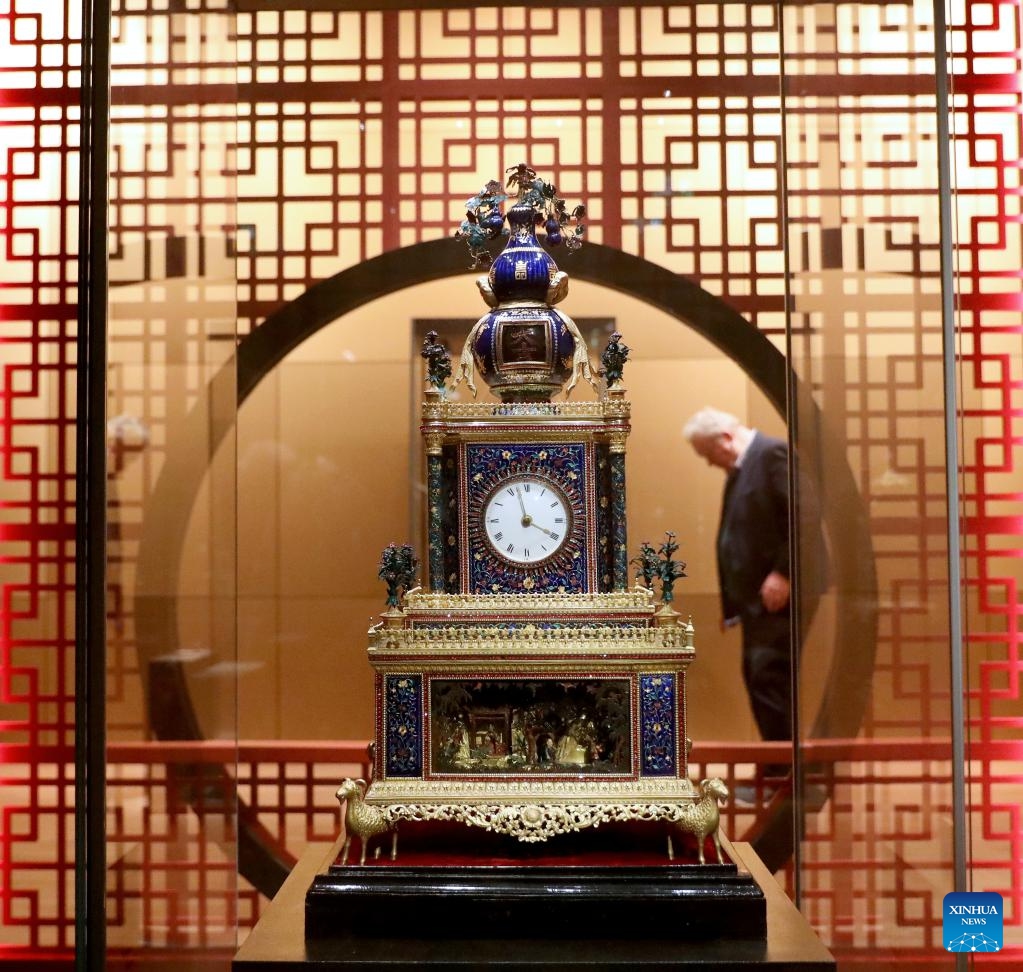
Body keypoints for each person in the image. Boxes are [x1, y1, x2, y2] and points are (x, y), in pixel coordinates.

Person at [683, 407, 824, 779]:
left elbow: (803, 516)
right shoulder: (744, 468)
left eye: (708, 455)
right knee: (762, 676)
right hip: (760, 602)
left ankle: (783, 774)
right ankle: (780, 770)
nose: (711, 464)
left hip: (782, 595)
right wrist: (734, 605)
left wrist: (783, 573)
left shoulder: (772, 455)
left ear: (725, 439)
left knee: (769, 676)